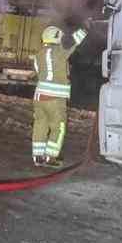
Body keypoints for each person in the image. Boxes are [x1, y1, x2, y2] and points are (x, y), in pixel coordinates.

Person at [31, 24, 86, 166]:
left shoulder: (38, 55)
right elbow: (74, 42)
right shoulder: (60, 52)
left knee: (40, 125)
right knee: (58, 127)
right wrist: (85, 29)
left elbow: (39, 73)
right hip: (54, 99)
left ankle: (38, 157)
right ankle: (51, 157)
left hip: (39, 97)